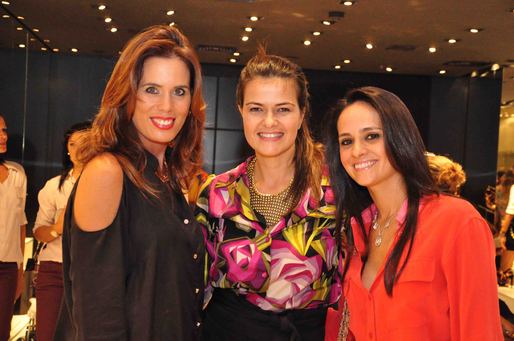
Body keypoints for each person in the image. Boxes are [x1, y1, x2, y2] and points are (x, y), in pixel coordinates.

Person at [54, 25, 206, 340]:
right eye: (151, 89)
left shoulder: (166, 175)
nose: (167, 106)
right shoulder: (107, 172)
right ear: (127, 93)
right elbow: (98, 318)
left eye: (179, 91)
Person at [324, 86, 502, 340]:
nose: (357, 151)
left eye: (372, 136)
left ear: (400, 137)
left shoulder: (457, 222)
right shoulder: (357, 232)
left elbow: (480, 331)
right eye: (346, 141)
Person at [196, 49, 340, 340]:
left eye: (283, 109)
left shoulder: (335, 195)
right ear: (241, 111)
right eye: (256, 109)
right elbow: (194, 288)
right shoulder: (215, 193)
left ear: (301, 114)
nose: (269, 121)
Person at [32, 121, 91, 341]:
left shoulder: (110, 183)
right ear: (67, 149)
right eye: (73, 144)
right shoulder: (54, 186)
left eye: (86, 143)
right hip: (54, 269)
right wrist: (57, 229)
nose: (79, 149)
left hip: (91, 272)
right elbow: (39, 232)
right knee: (47, 334)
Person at [0, 114, 27, 341]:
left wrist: (19, 271)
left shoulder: (16, 173)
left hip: (8, 266)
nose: (3, 136)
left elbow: (20, 222)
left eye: (5, 130)